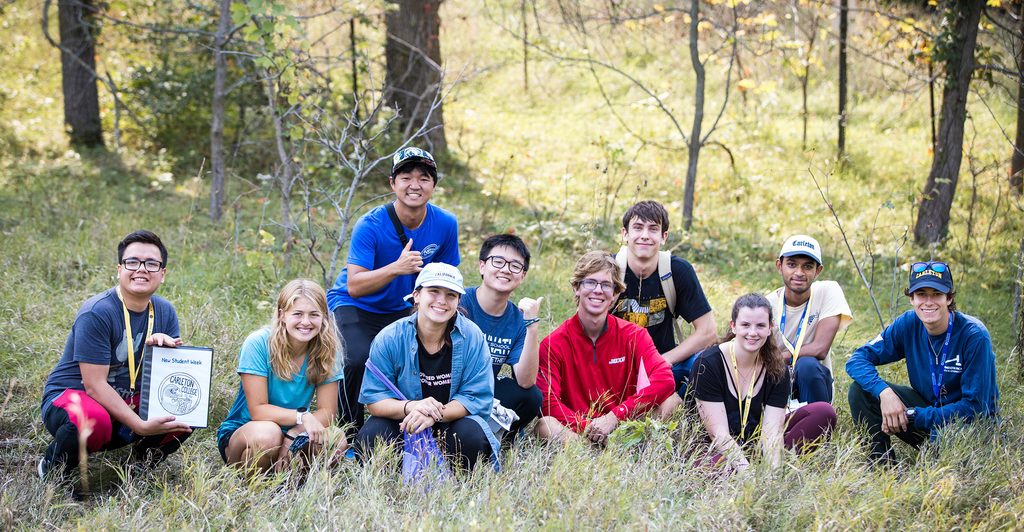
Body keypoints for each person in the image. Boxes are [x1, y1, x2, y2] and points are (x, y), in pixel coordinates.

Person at [326, 147, 460, 437]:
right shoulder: (370, 224)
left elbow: (447, 280)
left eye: (424, 178)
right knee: (357, 359)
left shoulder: (446, 224)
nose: (415, 184)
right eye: (406, 177)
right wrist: (396, 268)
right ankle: (349, 434)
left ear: (434, 186)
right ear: (392, 183)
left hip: (404, 307)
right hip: (356, 305)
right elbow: (355, 285)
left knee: (423, 356)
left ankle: (423, 423)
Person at [38, 230, 191, 480]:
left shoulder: (165, 311)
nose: (142, 269)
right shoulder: (98, 312)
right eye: (133, 262)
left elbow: (169, 379)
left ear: (163, 274)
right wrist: (140, 425)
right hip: (73, 398)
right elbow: (94, 386)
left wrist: (162, 351)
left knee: (183, 407)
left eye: (152, 264)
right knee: (93, 418)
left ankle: (138, 468)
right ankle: (54, 468)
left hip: (126, 399)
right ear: (119, 269)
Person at [846, 261, 999, 463]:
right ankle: (881, 464)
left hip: (967, 425)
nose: (928, 302)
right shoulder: (909, 324)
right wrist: (884, 392)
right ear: (911, 298)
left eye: (936, 294)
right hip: (928, 412)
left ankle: (941, 460)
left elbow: (976, 407)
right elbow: (857, 359)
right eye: (921, 294)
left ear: (949, 297)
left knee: (943, 443)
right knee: (861, 391)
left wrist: (914, 415)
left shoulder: (974, 336)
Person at [354, 263, 499, 471]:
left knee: (471, 435)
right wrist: (412, 407)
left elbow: (476, 397)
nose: (442, 301)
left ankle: (455, 480)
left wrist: (433, 414)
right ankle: (395, 481)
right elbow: (375, 400)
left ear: (458, 301)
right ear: (416, 295)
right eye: (433, 291)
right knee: (372, 436)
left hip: (451, 421)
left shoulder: (472, 336)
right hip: (406, 421)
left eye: (451, 295)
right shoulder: (390, 337)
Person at [535, 251, 679, 445]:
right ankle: (588, 454)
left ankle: (632, 449)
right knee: (545, 425)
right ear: (577, 288)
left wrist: (614, 418)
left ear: (614, 295)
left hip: (624, 425)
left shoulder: (634, 335)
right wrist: (590, 428)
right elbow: (548, 403)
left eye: (606, 285)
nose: (598, 290)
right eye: (590, 282)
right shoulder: (554, 343)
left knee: (672, 401)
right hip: (578, 432)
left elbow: (665, 380)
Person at [691, 294, 836, 473]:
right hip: (716, 448)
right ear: (733, 326)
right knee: (719, 469)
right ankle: (739, 471)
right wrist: (747, 473)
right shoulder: (708, 363)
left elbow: (771, 433)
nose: (753, 333)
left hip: (755, 444)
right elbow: (718, 434)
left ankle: (772, 467)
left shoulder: (776, 368)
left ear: (770, 328)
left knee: (823, 412)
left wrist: (771, 475)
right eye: (745, 325)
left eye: (760, 326)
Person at [217, 279, 344, 471]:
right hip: (249, 430)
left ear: (324, 317)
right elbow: (258, 410)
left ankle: (294, 482)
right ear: (282, 315)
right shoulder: (258, 343)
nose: (306, 322)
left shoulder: (327, 349)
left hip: (294, 429)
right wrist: (302, 416)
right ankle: (253, 485)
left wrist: (294, 433)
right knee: (269, 434)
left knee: (337, 439)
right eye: (298, 314)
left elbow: (328, 412)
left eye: (314, 315)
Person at [612, 201, 715, 399]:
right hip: (615, 366)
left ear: (664, 237)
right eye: (637, 227)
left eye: (653, 229)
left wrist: (662, 360)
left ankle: (682, 408)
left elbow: (708, 332)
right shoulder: (609, 269)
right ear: (624, 234)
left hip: (664, 365)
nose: (645, 235)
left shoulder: (677, 271)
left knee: (706, 362)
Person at [460, 234, 543, 443]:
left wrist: (532, 326)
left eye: (515, 266)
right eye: (498, 261)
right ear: (482, 266)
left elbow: (525, 381)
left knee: (531, 397)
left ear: (522, 275)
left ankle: (493, 440)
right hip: (448, 387)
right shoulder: (459, 302)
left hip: (484, 392)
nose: (505, 269)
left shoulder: (518, 320)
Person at [765, 234, 853, 405]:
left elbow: (820, 348)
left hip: (811, 381)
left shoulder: (828, 291)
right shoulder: (766, 305)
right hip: (775, 380)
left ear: (818, 270)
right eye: (791, 265)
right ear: (779, 266)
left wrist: (779, 357)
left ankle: (819, 426)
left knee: (806, 364)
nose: (799, 273)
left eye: (807, 266)